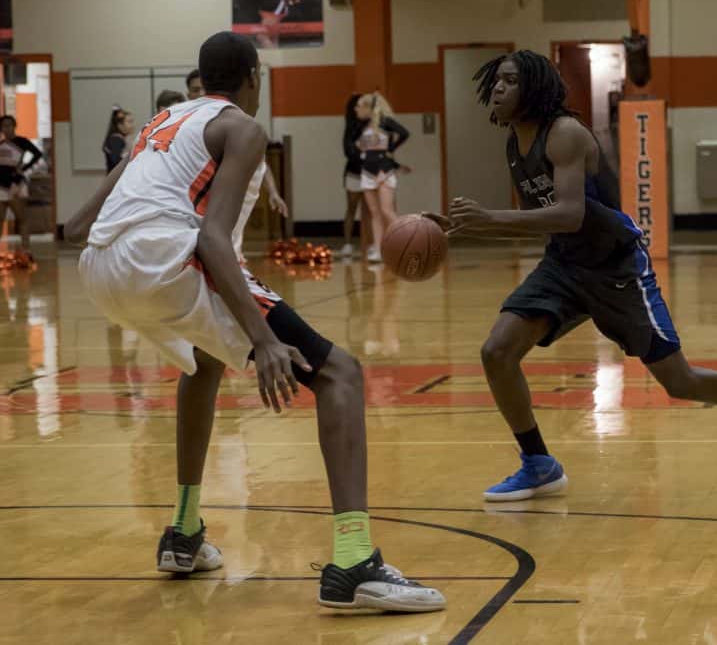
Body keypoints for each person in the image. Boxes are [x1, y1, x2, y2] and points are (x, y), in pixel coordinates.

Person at [64, 32, 445, 612]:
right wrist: (264, 341)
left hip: (100, 268)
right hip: (164, 259)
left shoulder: (163, 121)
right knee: (340, 374)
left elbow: (75, 226)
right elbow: (212, 240)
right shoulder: (241, 127)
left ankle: (183, 532)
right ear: (252, 77)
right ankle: (353, 563)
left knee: (204, 362)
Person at [426, 50, 717, 502]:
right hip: (564, 265)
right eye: (495, 80)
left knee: (679, 382)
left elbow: (569, 214)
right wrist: (467, 228)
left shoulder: (564, 134)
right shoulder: (515, 142)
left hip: (617, 268)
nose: (497, 87)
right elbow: (545, 222)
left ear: (534, 88)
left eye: (509, 81)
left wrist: (489, 219)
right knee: (497, 351)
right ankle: (538, 464)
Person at [355, 93, 409, 263]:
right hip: (367, 172)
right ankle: (378, 250)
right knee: (375, 214)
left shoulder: (385, 122)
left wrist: (390, 149)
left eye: (359, 106)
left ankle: (408, 242)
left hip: (383, 171)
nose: (356, 109)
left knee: (387, 211)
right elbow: (362, 147)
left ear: (368, 108)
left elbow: (404, 133)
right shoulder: (363, 125)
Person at [0, 116, 43, 254]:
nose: (7, 128)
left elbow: (38, 154)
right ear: (1, 128)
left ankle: (26, 250)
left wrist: (23, 168)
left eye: (9, 125)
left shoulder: (22, 141)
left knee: (21, 218)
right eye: (4, 125)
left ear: (14, 126)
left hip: (15, 184)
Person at [339, 93, 364, 259]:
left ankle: (370, 244)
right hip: (354, 173)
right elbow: (348, 151)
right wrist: (361, 152)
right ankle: (347, 244)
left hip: (370, 173)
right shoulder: (350, 127)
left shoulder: (371, 124)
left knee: (370, 211)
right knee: (352, 208)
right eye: (359, 105)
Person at [102, 107, 135, 174]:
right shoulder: (116, 140)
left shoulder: (121, 138)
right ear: (120, 125)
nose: (132, 125)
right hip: (117, 178)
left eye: (132, 121)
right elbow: (116, 162)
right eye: (129, 122)